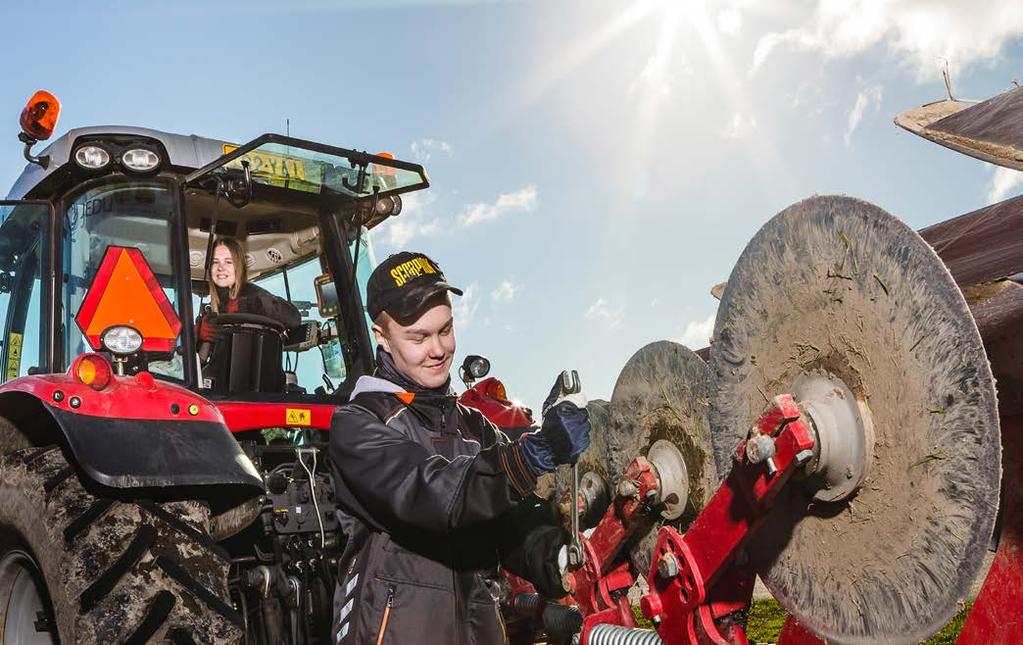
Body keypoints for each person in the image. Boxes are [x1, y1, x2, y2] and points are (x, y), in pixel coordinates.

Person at [329, 251, 591, 644]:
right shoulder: (358, 424)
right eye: (418, 337)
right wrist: (527, 458)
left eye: (445, 330)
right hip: (394, 633)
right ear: (381, 337)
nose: (437, 349)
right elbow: (433, 494)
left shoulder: (474, 427)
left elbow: (507, 525)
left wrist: (552, 553)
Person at [195, 237, 302, 357]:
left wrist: (245, 305)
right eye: (215, 262)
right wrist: (197, 334)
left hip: (257, 369)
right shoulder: (210, 311)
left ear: (238, 265)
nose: (221, 268)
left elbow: (294, 319)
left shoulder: (252, 292)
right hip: (219, 372)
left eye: (228, 262)